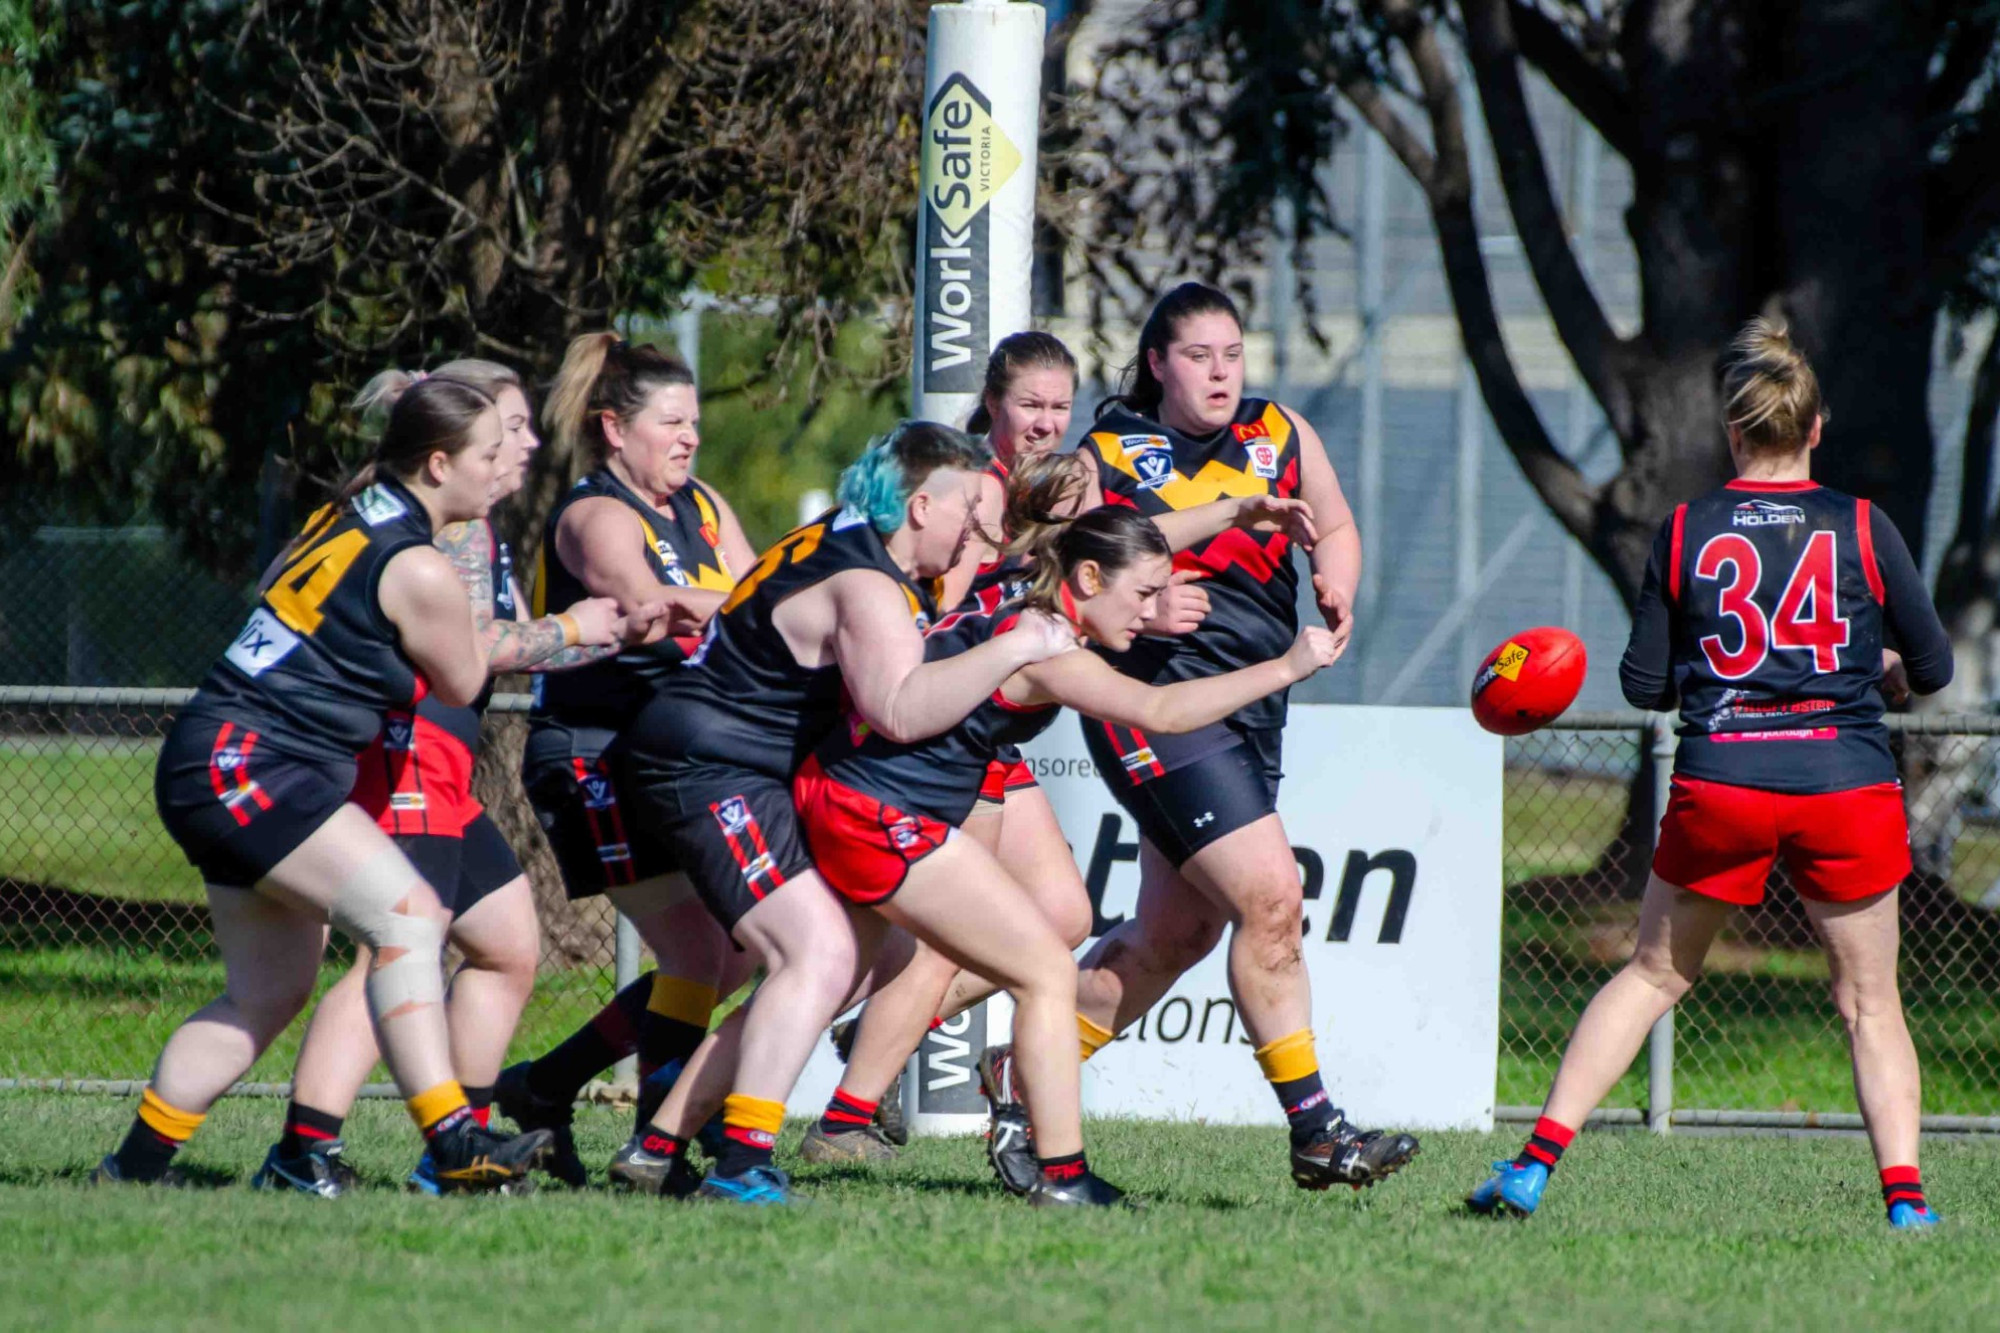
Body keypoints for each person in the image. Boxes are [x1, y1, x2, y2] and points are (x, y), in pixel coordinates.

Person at [1468, 317, 1952, 1228]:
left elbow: (1644, 684)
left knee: (1652, 974)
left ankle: (1534, 1165)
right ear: (1817, 428)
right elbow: (1932, 671)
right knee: (1870, 1002)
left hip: (1722, 778)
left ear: (1734, 433)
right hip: (1843, 782)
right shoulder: (1862, 524)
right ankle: (1907, 1203)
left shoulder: (1686, 527)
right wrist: (1875, 666)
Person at [813, 345, 1318, 1165]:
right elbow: (1021, 575)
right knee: (945, 941)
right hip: (941, 734)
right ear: (992, 405)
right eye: (1031, 406)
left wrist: (1224, 521)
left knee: (1064, 917)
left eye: (1060, 405)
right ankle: (848, 1108)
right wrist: (1151, 596)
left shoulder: (1063, 479)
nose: (1049, 423)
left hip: (990, 736)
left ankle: (863, 1035)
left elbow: (1104, 551)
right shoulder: (970, 485)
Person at [981, 282, 1420, 1194]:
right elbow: (1060, 557)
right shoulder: (1109, 450)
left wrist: (1334, 582)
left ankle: (1020, 1081)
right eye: (1198, 356)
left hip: (1251, 707)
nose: (1221, 373)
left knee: (1173, 934)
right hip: (1156, 705)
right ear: (1157, 364)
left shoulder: (1282, 432)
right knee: (1272, 897)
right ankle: (1317, 1130)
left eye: (1232, 355)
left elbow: (1334, 524)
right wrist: (1144, 607)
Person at [101, 378, 552, 1191]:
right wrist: (578, 627)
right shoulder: (417, 564)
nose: (502, 467)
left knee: (267, 991)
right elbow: (463, 679)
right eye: (490, 451)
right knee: (408, 915)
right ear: (440, 461)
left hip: (221, 758)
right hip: (253, 762)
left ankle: (131, 1171)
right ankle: (455, 1142)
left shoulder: (352, 512)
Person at [607, 421, 1073, 1205]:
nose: (972, 539)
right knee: (816, 950)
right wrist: (1015, 647)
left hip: (740, 768)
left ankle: (658, 1145)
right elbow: (899, 708)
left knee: (874, 953)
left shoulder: (849, 542)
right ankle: (742, 1163)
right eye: (966, 514)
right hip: (705, 766)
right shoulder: (868, 584)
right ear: (922, 505)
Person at [251, 360, 654, 1197]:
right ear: (458, 445)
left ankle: (458, 1151)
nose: (530, 442)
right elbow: (475, 655)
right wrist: (576, 629)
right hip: (409, 757)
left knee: (507, 946)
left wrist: (601, 633)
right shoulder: (453, 526)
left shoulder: (450, 516)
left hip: (447, 772)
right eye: (514, 427)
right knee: (393, 954)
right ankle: (303, 1150)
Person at [494, 333, 761, 1186]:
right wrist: (719, 604)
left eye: (695, 422)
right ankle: (658, 1145)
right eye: (670, 422)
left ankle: (548, 1085)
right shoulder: (595, 513)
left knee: (739, 949)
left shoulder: (707, 506)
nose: (688, 438)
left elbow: (756, 600)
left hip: (676, 751)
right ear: (615, 428)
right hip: (593, 754)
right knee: (695, 952)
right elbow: (651, 606)